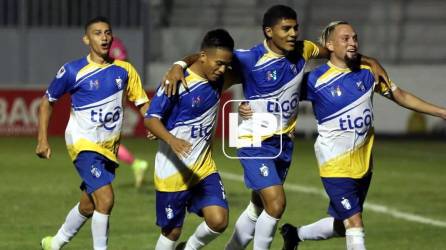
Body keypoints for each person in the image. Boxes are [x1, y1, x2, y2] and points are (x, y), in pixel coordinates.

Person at [163, 5, 390, 250]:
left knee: (257, 206)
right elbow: (205, 56)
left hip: (282, 142)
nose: (293, 33)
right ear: (269, 31)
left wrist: (371, 60)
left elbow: (338, 54)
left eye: (295, 27)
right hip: (253, 137)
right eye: (286, 28)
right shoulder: (249, 58)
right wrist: (178, 64)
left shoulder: (304, 50)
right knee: (276, 204)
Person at [280, 21, 446, 250]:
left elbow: (401, 96)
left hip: (364, 163)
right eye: (345, 38)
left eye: (355, 38)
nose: (353, 42)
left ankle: (294, 234)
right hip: (334, 164)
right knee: (355, 223)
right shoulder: (315, 80)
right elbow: (280, 97)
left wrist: (441, 112)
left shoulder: (368, 73)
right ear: (329, 45)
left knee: (342, 224)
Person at [36, 16, 150, 250]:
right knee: (106, 199)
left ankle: (54, 243)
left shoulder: (125, 70)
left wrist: (153, 124)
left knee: (89, 205)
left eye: (108, 32)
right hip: (83, 143)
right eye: (98, 33)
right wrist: (42, 139)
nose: (105, 37)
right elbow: (47, 102)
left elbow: (143, 104)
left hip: (109, 148)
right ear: (87, 39)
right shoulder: (72, 70)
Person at [145, 29, 235, 250]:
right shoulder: (175, 82)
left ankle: (190, 248)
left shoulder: (217, 80)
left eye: (226, 64)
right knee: (172, 230)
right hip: (172, 172)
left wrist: (179, 62)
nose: (222, 69)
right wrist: (171, 139)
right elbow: (150, 119)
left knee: (218, 220)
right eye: (219, 63)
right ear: (203, 56)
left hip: (203, 169)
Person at [109, 36, 149, 188]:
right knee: (106, 140)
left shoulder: (113, 45)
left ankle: (136, 163)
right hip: (114, 95)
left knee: (105, 140)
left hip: (112, 97)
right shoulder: (114, 43)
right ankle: (136, 164)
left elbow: (122, 62)